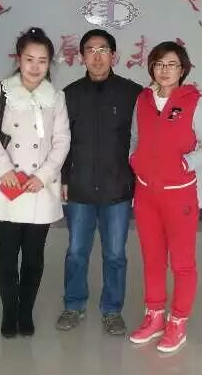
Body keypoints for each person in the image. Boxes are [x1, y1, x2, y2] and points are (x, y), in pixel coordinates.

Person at [0, 28, 71, 338]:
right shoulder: (1, 90)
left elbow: (62, 141)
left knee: (34, 256)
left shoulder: (56, 97)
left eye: (42, 61)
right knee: (6, 254)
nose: (35, 66)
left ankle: (25, 311)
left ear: (49, 64)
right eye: (29, 59)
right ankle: (9, 311)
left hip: (39, 188)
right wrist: (3, 168)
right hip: (8, 185)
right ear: (19, 58)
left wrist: (43, 176)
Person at [127, 41, 202, 353]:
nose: (164, 70)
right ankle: (154, 316)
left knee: (181, 263)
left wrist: (185, 164)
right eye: (159, 64)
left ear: (183, 70)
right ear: (152, 67)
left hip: (179, 196)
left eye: (172, 64)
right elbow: (135, 138)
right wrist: (134, 160)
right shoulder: (143, 100)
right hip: (146, 194)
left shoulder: (194, 102)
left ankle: (177, 322)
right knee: (152, 259)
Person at [55, 29, 142, 335]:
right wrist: (64, 178)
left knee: (115, 254)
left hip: (118, 189)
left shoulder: (132, 93)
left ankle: (112, 310)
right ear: (81, 57)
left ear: (113, 55)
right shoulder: (69, 94)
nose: (97, 56)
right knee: (76, 251)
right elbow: (61, 142)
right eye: (90, 50)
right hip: (79, 187)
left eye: (103, 49)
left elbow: (141, 140)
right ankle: (73, 304)